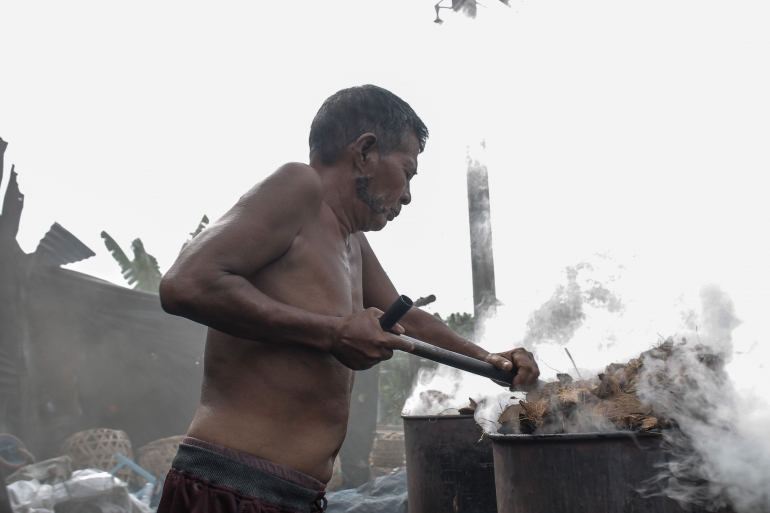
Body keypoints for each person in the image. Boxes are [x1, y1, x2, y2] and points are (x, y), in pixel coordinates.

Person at [157, 85, 539, 513]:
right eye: (408, 172)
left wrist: (493, 361)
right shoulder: (298, 185)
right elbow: (185, 284)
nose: (408, 194)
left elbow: (408, 318)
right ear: (366, 152)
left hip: (295, 496)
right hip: (229, 489)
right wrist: (332, 333)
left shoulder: (351, 241)